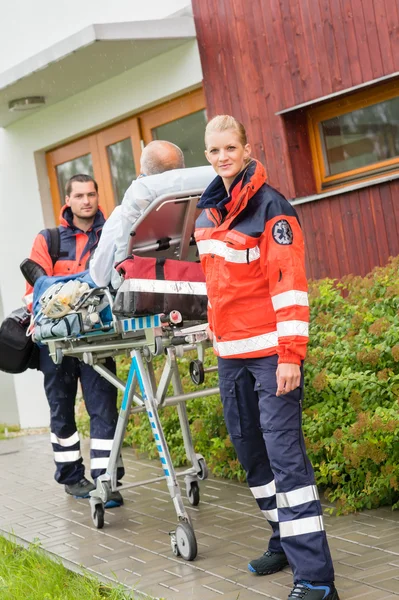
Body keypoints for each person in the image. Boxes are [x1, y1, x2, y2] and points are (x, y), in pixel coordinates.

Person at [195, 116, 339, 600]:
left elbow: (290, 289)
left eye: (229, 148)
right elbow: (216, 288)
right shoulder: (206, 212)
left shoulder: (272, 207)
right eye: (214, 151)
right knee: (251, 455)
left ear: (246, 147)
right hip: (230, 356)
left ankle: (316, 579)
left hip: (271, 356)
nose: (222, 158)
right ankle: (283, 540)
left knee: (286, 462)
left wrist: (290, 356)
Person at [26, 174, 124, 504]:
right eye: (79, 195)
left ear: (98, 197)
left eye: (91, 194)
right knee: (61, 410)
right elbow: (34, 293)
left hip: (99, 338)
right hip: (55, 344)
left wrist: (62, 285)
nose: (86, 200)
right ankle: (71, 478)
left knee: (104, 409)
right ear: (67, 201)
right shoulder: (49, 239)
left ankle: (106, 480)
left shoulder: (110, 234)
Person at [89, 140, 214, 289]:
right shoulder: (205, 196)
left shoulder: (124, 213)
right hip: (194, 279)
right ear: (182, 169)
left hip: (141, 290)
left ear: (143, 171)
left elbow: (100, 278)